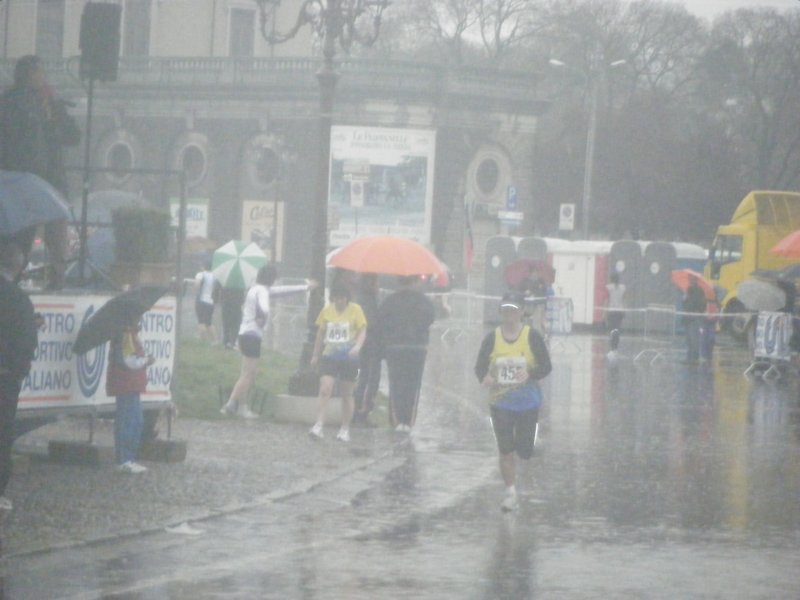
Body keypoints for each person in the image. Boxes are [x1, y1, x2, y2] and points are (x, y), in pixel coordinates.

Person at [0, 55, 80, 289]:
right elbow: (12, 140)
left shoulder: (49, 102)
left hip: (51, 178)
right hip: (26, 178)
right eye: (39, 72)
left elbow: (72, 137)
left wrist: (56, 112)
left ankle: (56, 277)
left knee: (55, 230)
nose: (43, 77)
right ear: (28, 75)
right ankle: (12, 277)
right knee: (23, 234)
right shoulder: (12, 103)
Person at [474, 291, 552, 512]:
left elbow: (546, 366)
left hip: (528, 402)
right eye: (505, 310)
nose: (509, 314)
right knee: (505, 449)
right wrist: (485, 377)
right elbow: (479, 367)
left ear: (521, 312)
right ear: (500, 312)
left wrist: (530, 373)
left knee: (524, 451)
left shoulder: (532, 336)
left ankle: (526, 451)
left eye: (513, 310)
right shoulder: (492, 338)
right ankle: (510, 492)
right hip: (500, 403)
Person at [221, 265, 312, 418]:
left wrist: (305, 287)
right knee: (249, 374)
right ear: (271, 278)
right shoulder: (262, 291)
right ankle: (231, 404)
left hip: (244, 334)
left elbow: (281, 291)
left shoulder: (255, 289)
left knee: (247, 373)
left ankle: (242, 406)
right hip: (253, 335)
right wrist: (262, 320)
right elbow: (264, 308)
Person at [0, 240, 39, 512]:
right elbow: (26, 342)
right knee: (2, 434)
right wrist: (19, 371)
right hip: (4, 376)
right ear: (19, 266)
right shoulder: (18, 298)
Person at [376, 275, 435, 433]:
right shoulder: (424, 301)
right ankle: (408, 420)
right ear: (415, 282)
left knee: (396, 383)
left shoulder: (389, 301)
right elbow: (430, 318)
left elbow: (381, 321)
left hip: (395, 347)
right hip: (417, 347)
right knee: (413, 384)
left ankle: (396, 420)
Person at [309, 283, 367, 442]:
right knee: (325, 388)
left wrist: (358, 346)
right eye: (336, 299)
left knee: (347, 393)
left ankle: (345, 428)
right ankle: (319, 424)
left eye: (342, 299)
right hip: (329, 356)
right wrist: (315, 355)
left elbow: (362, 330)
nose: (339, 302)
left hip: (349, 358)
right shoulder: (327, 311)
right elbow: (320, 334)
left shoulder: (356, 310)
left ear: (347, 299)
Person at [107, 313, 155, 474]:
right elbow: (129, 362)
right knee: (129, 422)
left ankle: (128, 458)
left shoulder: (130, 335)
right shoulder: (126, 335)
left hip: (130, 384)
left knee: (134, 421)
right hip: (126, 384)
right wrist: (146, 361)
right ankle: (124, 459)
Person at [352, 274, 381, 425]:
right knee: (369, 377)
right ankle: (361, 411)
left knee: (366, 375)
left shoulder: (365, 297)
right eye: (376, 281)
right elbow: (369, 323)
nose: (378, 285)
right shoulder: (367, 300)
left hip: (367, 342)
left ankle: (360, 410)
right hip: (370, 343)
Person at [683, 276, 708, 364]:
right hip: (689, 319)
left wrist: (688, 301)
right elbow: (686, 306)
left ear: (696, 280)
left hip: (695, 319)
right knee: (689, 339)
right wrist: (685, 300)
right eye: (690, 280)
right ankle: (690, 356)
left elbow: (700, 305)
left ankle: (694, 357)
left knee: (694, 339)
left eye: (692, 280)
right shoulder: (688, 290)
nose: (690, 281)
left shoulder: (699, 291)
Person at [194, 260, 219, 344]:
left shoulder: (201, 274)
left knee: (201, 321)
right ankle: (215, 340)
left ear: (203, 266)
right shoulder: (215, 276)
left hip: (201, 300)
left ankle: (203, 340)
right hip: (211, 301)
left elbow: (197, 284)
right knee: (209, 322)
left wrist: (196, 290)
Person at [605, 272, 627, 354]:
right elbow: (624, 300)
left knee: (611, 329)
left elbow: (607, 300)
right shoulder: (623, 288)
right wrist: (625, 310)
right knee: (617, 329)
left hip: (611, 311)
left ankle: (612, 347)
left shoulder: (608, 287)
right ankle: (615, 348)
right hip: (620, 311)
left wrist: (604, 312)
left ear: (611, 279)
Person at [220, 285, 246, 350]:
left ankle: (226, 342)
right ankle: (233, 343)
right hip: (236, 308)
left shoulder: (225, 285)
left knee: (226, 325)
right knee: (236, 326)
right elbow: (242, 300)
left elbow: (221, 296)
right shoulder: (240, 287)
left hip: (226, 307)